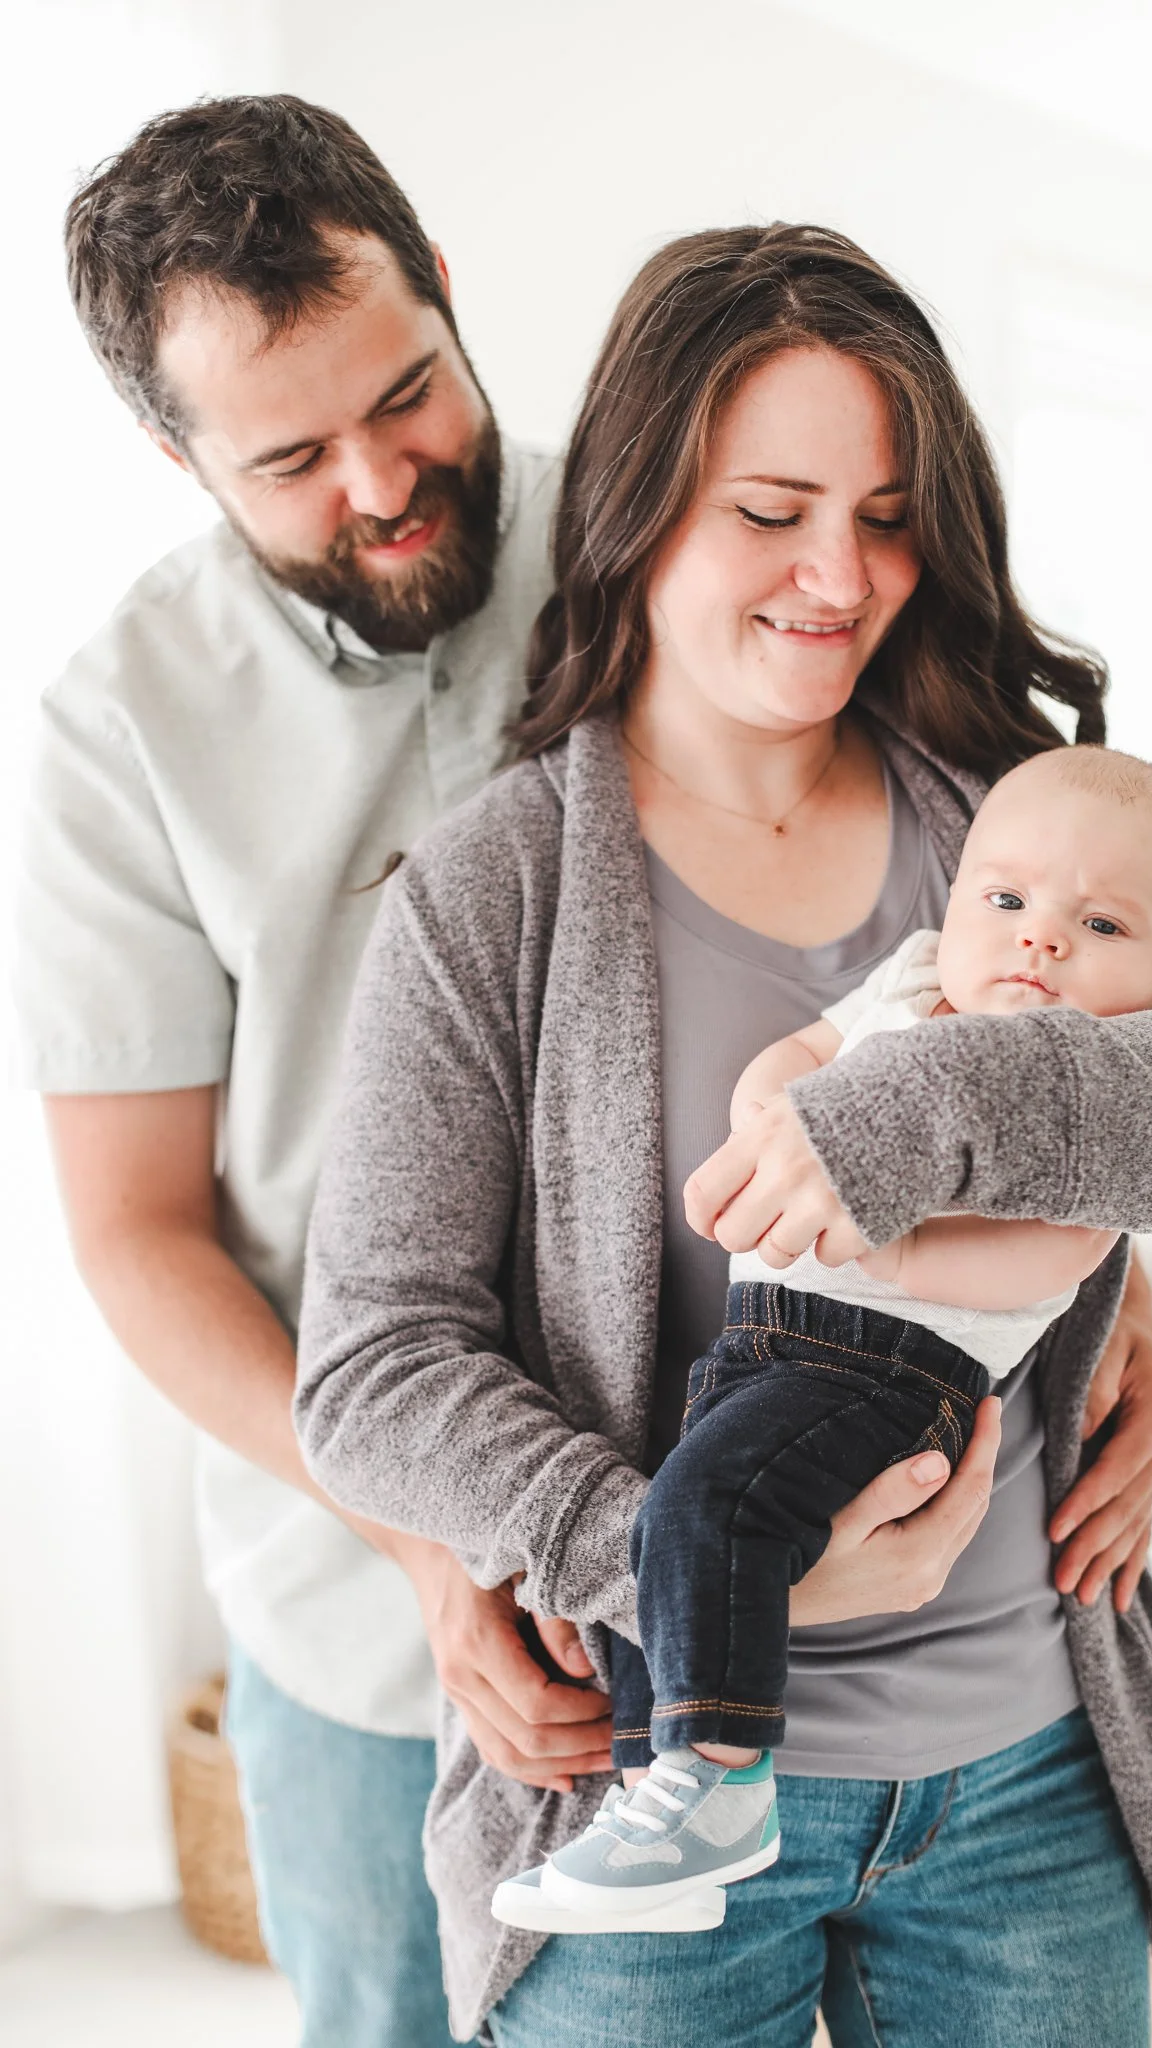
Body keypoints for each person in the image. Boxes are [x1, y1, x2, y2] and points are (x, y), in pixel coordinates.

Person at [293, 223, 1152, 2046]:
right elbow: (371, 1364)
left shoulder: (1004, 823)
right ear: (642, 503)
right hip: (644, 1806)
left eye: (884, 512)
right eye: (772, 508)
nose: (838, 574)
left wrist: (924, 1103)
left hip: (1025, 1787)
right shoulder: (495, 893)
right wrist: (687, 1567)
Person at [13, 93, 599, 2047]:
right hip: (354, 1625)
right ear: (172, 453)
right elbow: (137, 1235)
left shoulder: (660, 535)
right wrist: (429, 1535)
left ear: (441, 287)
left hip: (704, 1541)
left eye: (410, 393)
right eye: (289, 456)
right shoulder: (115, 732)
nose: (381, 481)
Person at [532, 746, 1152, 1920]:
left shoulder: (1099, 1088)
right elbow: (803, 1056)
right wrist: (766, 1108)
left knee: (711, 1514)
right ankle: (653, 1792)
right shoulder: (907, 985)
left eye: (1098, 924)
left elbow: (1057, 1251)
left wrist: (870, 1236)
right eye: (1005, 901)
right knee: (657, 1537)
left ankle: (723, 1788)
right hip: (765, 1338)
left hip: (898, 1368)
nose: (1038, 939)